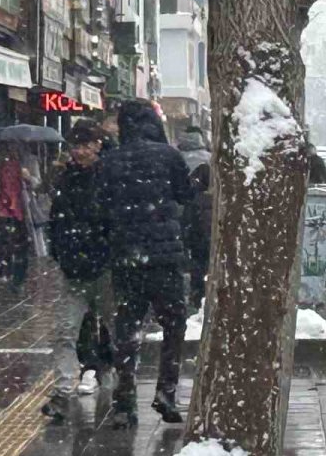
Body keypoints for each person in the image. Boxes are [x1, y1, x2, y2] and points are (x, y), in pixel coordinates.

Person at [96, 99, 192, 428]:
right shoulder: (170, 156)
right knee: (174, 323)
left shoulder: (109, 161)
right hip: (165, 259)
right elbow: (186, 196)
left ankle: (124, 401)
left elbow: (101, 208)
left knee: (127, 327)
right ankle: (166, 389)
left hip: (126, 258)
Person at [41, 120, 112, 421]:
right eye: (75, 146)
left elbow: (113, 219)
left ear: (98, 145)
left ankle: (124, 390)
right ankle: (63, 391)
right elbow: (57, 219)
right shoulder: (66, 178)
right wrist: (60, 252)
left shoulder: (110, 175)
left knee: (116, 329)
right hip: (74, 270)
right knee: (64, 332)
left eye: (85, 145)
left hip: (105, 269)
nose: (79, 152)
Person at [0, 141, 41, 289]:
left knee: (21, 246)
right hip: (1, 209)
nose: (12, 149)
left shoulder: (30, 161)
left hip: (21, 209)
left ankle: (19, 277)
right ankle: (4, 273)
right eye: (10, 146)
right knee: (2, 244)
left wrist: (28, 177)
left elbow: (37, 183)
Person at [183, 161, 212, 311]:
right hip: (212, 242)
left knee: (198, 274)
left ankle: (197, 302)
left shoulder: (193, 201)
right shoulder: (217, 200)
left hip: (197, 244)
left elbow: (187, 223)